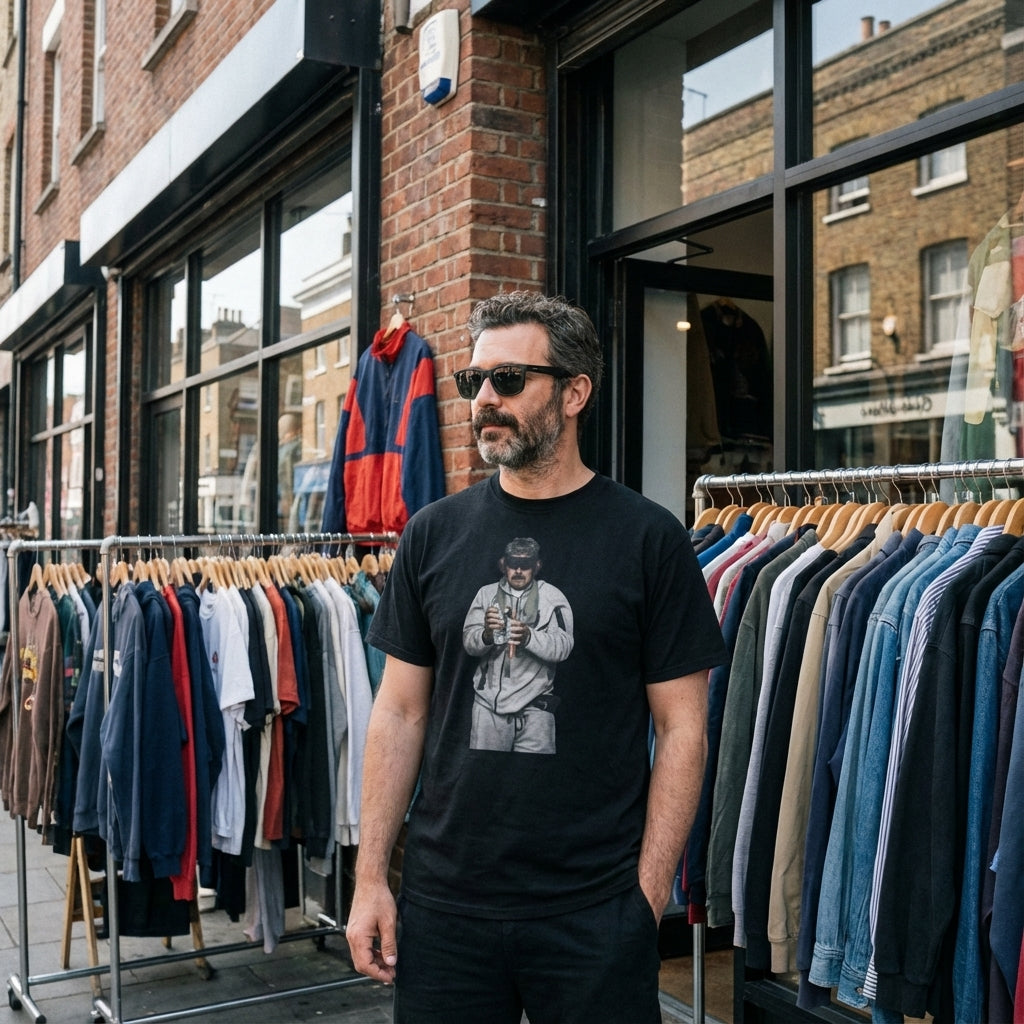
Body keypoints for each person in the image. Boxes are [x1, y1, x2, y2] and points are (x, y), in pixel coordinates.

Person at [346, 290, 727, 1023]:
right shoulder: (432, 534)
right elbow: (398, 713)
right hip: (446, 906)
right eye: (474, 380)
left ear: (574, 393)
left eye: (509, 379)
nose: (484, 398)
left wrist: (646, 899)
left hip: (593, 909)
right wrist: (370, 880)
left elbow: (683, 728)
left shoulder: (648, 539)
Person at [463, 536, 573, 754]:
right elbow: (468, 641)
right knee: (485, 771)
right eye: (514, 564)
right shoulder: (485, 595)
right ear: (503, 564)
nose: (519, 571)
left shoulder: (552, 598)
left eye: (526, 564)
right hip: (488, 709)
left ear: (537, 566)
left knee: (535, 774)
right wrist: (486, 635)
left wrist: (529, 637)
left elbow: (564, 645)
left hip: (535, 710)